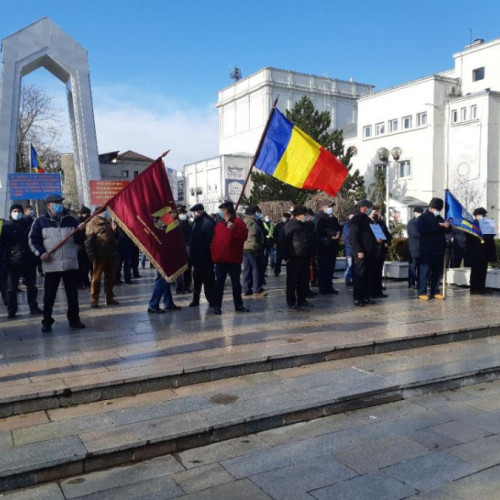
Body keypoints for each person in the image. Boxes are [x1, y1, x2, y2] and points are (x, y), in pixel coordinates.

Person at [29, 194, 86, 332]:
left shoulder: (71, 220)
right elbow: (33, 240)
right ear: (48, 205)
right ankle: (47, 321)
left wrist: (81, 231)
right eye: (55, 203)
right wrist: (41, 253)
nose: (59, 205)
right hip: (51, 264)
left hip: (70, 263)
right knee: (49, 296)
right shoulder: (40, 222)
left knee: (72, 295)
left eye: (60, 203)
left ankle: (74, 319)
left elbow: (79, 241)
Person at [2, 203, 43, 318]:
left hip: (29, 260)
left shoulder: (29, 224)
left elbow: (35, 239)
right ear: (10, 213)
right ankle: (12, 310)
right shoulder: (6, 226)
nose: (17, 213)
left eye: (19, 211)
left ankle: (33, 307)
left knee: (32, 286)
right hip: (13, 261)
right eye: (14, 211)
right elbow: (3, 245)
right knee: (11, 288)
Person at [211, 201, 249, 315]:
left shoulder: (238, 222)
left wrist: (234, 229)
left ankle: (239, 305)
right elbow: (214, 240)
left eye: (222, 209)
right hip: (220, 260)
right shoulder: (219, 224)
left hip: (233, 260)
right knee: (219, 284)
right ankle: (217, 306)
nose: (221, 212)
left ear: (226, 210)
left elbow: (243, 237)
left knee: (236, 284)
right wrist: (213, 252)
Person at [85, 207, 119, 307]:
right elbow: (88, 242)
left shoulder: (109, 222)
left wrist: (115, 230)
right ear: (100, 213)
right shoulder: (92, 223)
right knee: (96, 279)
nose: (108, 213)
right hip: (99, 256)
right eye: (106, 212)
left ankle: (109, 297)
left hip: (111, 254)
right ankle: (94, 299)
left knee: (111, 278)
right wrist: (92, 256)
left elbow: (117, 237)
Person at [417, 197, 451, 300]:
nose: (438, 211)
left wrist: (447, 226)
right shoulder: (423, 217)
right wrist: (439, 226)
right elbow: (422, 230)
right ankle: (422, 292)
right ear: (432, 207)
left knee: (437, 272)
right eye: (438, 209)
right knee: (425, 272)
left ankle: (435, 291)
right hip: (427, 250)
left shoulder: (439, 218)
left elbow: (447, 230)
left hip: (439, 249)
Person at [284, 206, 314, 310]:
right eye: (304, 215)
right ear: (298, 216)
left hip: (305, 257)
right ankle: (291, 301)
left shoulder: (305, 225)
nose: (306, 216)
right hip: (294, 258)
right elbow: (284, 242)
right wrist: (287, 256)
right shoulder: (290, 225)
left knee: (304, 281)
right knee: (292, 281)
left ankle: (302, 300)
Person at [349, 200, 378, 307]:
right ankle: (358, 297)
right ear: (363, 207)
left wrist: (377, 240)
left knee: (368, 275)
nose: (370, 209)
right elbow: (354, 236)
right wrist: (358, 250)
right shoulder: (356, 219)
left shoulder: (367, 219)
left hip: (369, 252)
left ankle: (366, 296)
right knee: (360, 275)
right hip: (361, 252)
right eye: (369, 207)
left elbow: (370, 235)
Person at [188, 203, 216, 307]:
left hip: (205, 257)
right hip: (196, 257)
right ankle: (195, 299)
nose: (194, 215)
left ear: (199, 212)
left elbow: (210, 240)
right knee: (197, 280)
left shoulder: (208, 222)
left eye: (194, 213)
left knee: (208, 280)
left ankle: (211, 300)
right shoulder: (197, 221)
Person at [466, 207, 497, 294]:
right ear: (476, 216)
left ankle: (481, 287)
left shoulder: (487, 224)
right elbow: (468, 237)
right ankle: (474, 288)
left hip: (484, 252)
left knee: (483, 270)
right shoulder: (472, 225)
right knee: (476, 270)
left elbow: (491, 235)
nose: (484, 217)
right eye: (482, 215)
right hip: (475, 251)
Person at [315, 203, 341, 295]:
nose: (330, 209)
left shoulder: (333, 218)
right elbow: (318, 232)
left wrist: (338, 233)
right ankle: (323, 287)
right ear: (323, 207)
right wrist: (330, 237)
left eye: (331, 207)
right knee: (324, 268)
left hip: (333, 247)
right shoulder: (320, 218)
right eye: (328, 207)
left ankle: (329, 286)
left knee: (330, 268)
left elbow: (338, 228)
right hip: (324, 247)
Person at [243, 206, 266, 297]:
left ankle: (246, 289)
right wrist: (256, 246)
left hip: (245, 248)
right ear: (253, 213)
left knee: (247, 269)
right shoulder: (251, 222)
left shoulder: (244, 221)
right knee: (255, 268)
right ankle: (257, 289)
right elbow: (252, 235)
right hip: (252, 248)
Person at [369, 207, 392, 298]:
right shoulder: (368, 222)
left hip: (381, 250)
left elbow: (388, 235)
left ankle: (378, 291)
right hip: (372, 251)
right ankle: (371, 291)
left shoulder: (381, 223)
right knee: (372, 272)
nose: (377, 214)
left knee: (379, 272)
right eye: (375, 212)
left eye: (378, 212)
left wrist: (387, 242)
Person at [175, 206, 192, 294]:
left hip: (187, 246)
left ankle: (186, 286)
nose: (184, 214)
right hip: (178, 248)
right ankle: (180, 287)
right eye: (182, 213)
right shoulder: (174, 222)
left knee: (187, 269)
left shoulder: (187, 221)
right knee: (179, 269)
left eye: (184, 213)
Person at [407, 207, 423, 288]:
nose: (420, 214)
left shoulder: (421, 222)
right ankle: (412, 283)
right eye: (418, 212)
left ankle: (420, 282)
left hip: (421, 248)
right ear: (414, 213)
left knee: (420, 267)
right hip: (413, 248)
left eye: (421, 213)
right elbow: (415, 234)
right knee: (413, 266)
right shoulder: (411, 223)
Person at [77, 206, 92, 289]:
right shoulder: (79, 222)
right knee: (81, 266)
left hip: (87, 247)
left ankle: (86, 281)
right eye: (87, 214)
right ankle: (80, 282)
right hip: (81, 248)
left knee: (87, 266)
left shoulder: (88, 221)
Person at [273, 212, 291, 276]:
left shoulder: (289, 224)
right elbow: (274, 234)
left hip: (286, 245)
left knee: (287, 260)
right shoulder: (279, 225)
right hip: (280, 245)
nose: (284, 218)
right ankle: (277, 271)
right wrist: (275, 242)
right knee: (279, 259)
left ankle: (289, 272)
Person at [342, 210, 355, 286]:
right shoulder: (347, 225)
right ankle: (347, 279)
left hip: (353, 248)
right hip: (349, 248)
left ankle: (353, 278)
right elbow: (347, 236)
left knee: (353, 265)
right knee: (349, 265)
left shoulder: (354, 224)